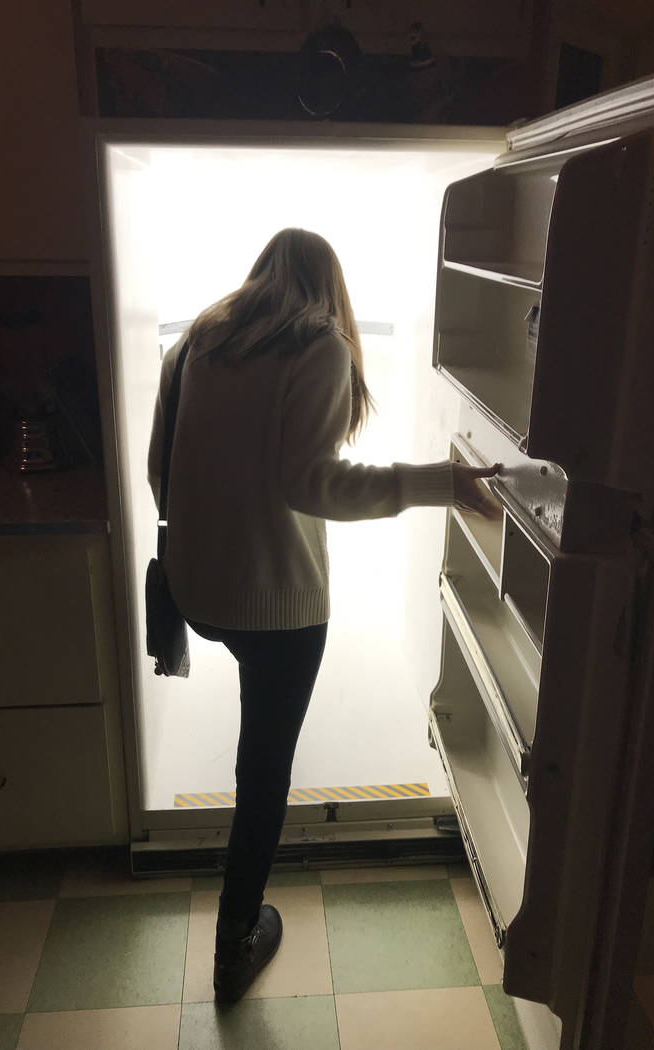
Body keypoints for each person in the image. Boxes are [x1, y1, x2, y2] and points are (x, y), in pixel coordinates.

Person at [148, 227, 500, 1004]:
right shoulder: (319, 347)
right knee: (263, 772)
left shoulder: (199, 342)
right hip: (277, 607)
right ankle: (234, 943)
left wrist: (204, 548)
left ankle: (237, 921)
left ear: (262, 276)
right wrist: (440, 481)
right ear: (328, 286)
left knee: (254, 759)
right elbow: (317, 487)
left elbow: (157, 466)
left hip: (197, 592)